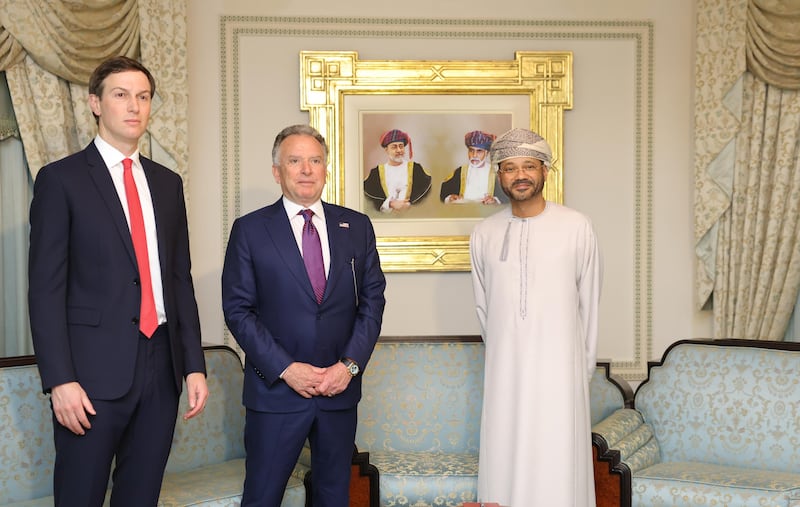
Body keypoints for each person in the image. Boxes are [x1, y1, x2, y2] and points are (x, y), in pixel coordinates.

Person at [28, 55, 208, 507]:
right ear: (95, 103)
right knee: (79, 497)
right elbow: (45, 290)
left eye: (143, 97)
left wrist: (193, 364)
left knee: (140, 497)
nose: (134, 107)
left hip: (160, 366)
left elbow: (179, 280)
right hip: (88, 376)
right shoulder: (60, 180)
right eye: (121, 95)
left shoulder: (168, 184)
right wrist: (60, 380)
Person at [222, 124, 387, 507]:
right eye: (295, 161)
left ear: (326, 170)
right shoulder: (250, 230)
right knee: (262, 496)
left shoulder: (356, 226)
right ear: (277, 171)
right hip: (277, 391)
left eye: (315, 161)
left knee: (334, 496)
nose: (306, 170)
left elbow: (373, 301)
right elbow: (238, 310)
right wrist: (287, 368)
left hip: (338, 390)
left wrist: (347, 367)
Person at [469, 128, 602, 506]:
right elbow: (484, 310)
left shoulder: (577, 227)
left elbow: (589, 306)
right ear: (499, 175)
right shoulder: (484, 233)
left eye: (529, 166)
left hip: (562, 374)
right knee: (504, 454)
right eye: (510, 168)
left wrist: (579, 372)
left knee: (558, 464)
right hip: (505, 374)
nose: (520, 175)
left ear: (545, 171)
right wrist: (507, 354)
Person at [363, 128, 431, 212]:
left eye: (401, 146)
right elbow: (368, 196)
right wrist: (390, 204)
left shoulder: (416, 169)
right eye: (394, 147)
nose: (399, 150)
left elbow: (426, 192)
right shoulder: (376, 173)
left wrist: (409, 205)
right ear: (386, 150)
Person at [440, 130, 504, 205]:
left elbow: (506, 197)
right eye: (471, 150)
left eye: (479, 151)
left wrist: (495, 201)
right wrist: (450, 197)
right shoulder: (460, 171)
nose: (474, 155)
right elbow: (444, 192)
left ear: (486, 153)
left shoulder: (495, 173)